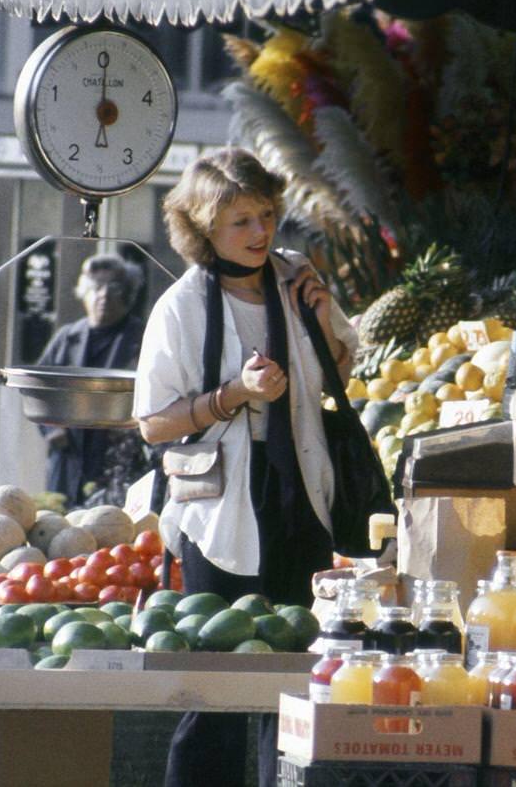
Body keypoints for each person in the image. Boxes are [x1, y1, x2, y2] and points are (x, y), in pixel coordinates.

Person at [134, 148, 357, 787]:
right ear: (203, 228)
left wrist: (322, 322)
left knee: (291, 693)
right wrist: (234, 394)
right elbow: (153, 422)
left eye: (266, 214)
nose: (261, 232)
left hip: (300, 505)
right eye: (241, 221)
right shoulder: (180, 308)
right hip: (217, 518)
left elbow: (334, 379)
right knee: (213, 695)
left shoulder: (294, 281)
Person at [37, 254, 145, 504]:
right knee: (60, 527)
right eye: (96, 287)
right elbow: (40, 387)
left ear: (127, 294)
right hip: (69, 456)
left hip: (117, 458)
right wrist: (52, 429)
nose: (104, 295)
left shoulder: (142, 337)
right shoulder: (67, 337)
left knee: (111, 529)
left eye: (114, 288)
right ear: (84, 292)